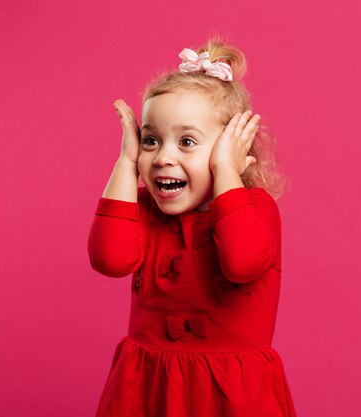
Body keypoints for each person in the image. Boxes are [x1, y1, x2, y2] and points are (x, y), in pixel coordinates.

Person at [87, 36, 297, 417]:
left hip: (231, 397)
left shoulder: (255, 207)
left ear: (230, 149)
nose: (163, 156)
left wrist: (227, 172)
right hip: (146, 390)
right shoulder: (144, 209)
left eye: (186, 141)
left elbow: (243, 261)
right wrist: (125, 161)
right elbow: (109, 259)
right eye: (151, 140)